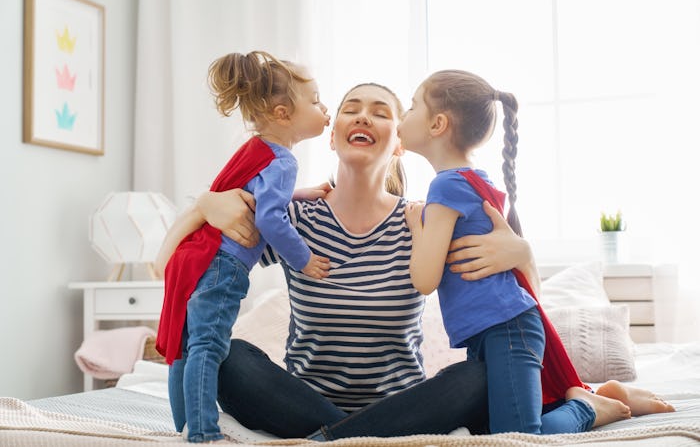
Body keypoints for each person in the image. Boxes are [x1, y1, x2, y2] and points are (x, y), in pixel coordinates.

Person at [156, 82, 671, 441]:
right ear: (333, 133)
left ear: (398, 141)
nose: (363, 116)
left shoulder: (426, 222)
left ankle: (330, 441)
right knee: (225, 352)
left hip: (412, 407)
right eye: (351, 108)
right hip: (299, 403)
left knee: (480, 374)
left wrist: (526, 253)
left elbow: (516, 309)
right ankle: (347, 437)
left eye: (380, 110)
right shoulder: (292, 216)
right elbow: (187, 266)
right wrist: (204, 203)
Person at [397, 69, 637, 435]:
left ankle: (585, 408)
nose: (404, 115)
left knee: (519, 437)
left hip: (505, 329)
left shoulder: (444, 187)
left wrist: (417, 226)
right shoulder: (473, 179)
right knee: (489, 430)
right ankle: (591, 400)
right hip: (499, 329)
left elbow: (425, 279)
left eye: (412, 106)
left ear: (438, 124)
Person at [155, 50, 331, 443]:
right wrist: (303, 259)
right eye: (317, 100)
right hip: (224, 263)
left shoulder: (256, 150)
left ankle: (183, 426)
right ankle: (203, 433)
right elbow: (269, 218)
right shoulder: (284, 161)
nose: (326, 108)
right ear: (284, 113)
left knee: (186, 346)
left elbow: (257, 195)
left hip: (195, 258)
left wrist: (300, 195)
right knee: (208, 344)